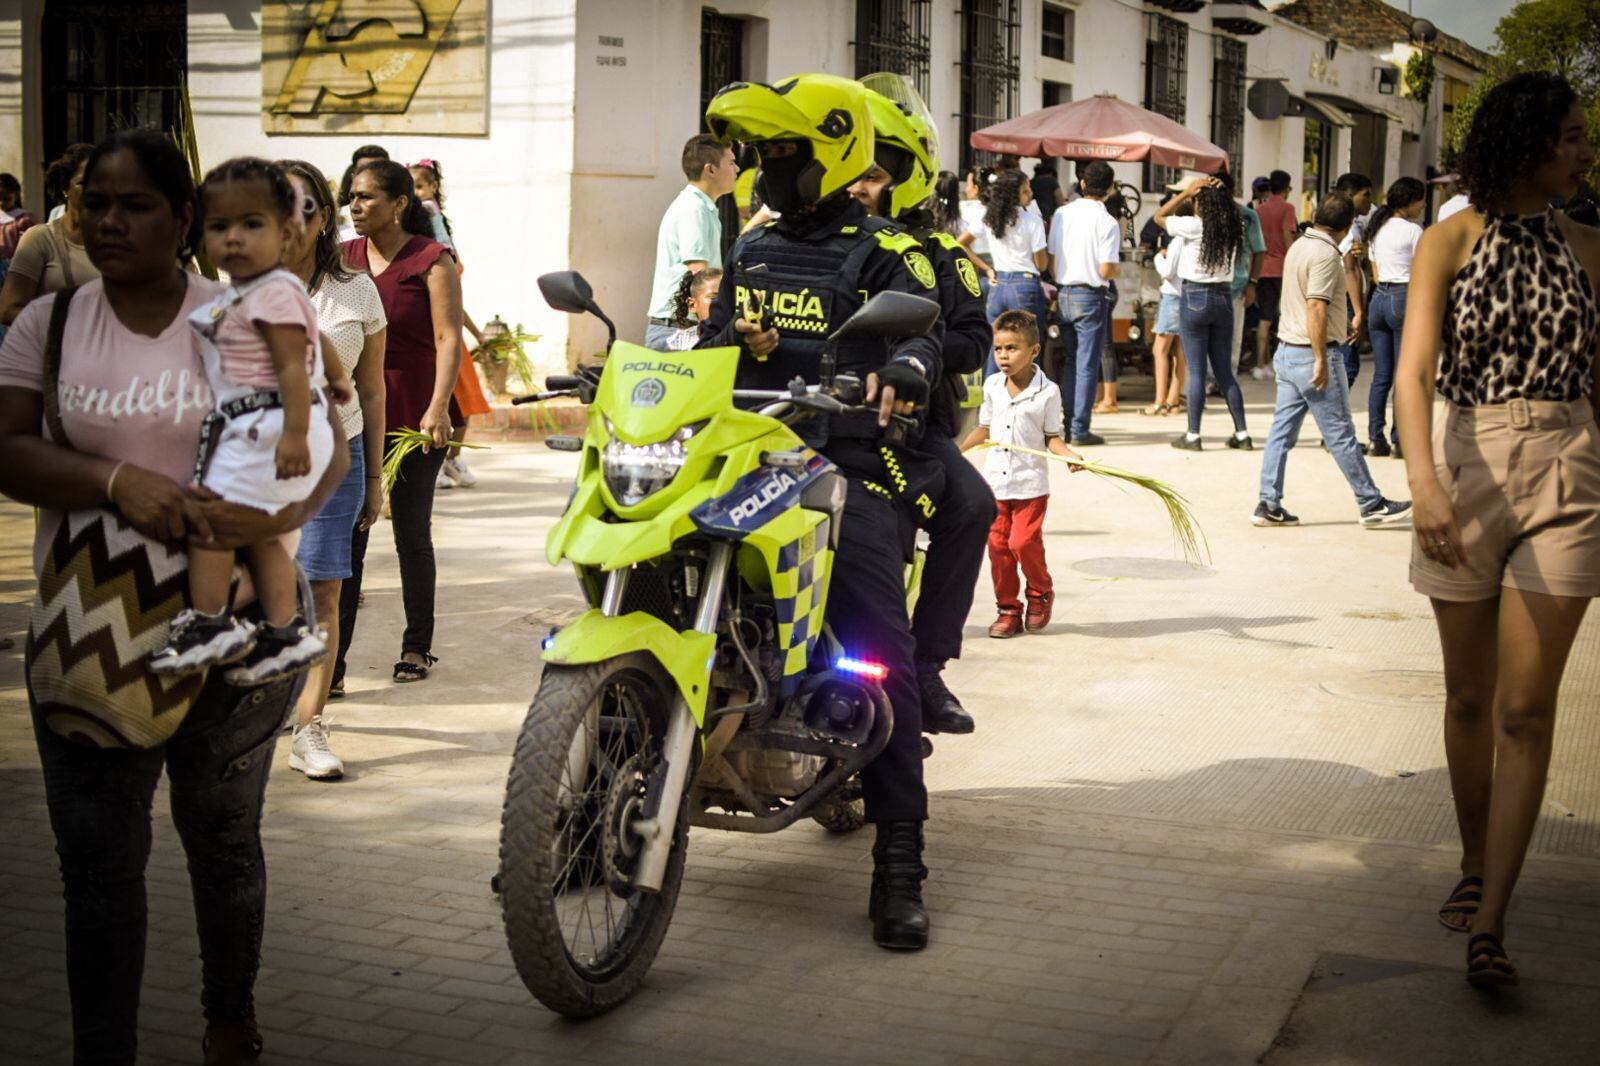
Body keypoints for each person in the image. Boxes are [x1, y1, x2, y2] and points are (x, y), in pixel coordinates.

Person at [0, 127, 348, 1066]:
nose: (109, 221)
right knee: (96, 871)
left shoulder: (238, 317)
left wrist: (258, 528)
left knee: (222, 843)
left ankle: (229, 1021)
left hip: (225, 630)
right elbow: (8, 450)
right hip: (88, 634)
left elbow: (326, 449)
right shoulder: (53, 323)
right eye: (92, 203)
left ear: (184, 219)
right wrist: (118, 484)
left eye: (135, 203)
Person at [701, 71, 944, 951]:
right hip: (745, 457)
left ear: (832, 156)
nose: (770, 173)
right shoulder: (753, 249)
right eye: (762, 157)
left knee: (882, 642)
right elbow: (709, 345)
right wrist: (733, 340)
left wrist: (909, 370)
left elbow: (925, 333)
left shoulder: (888, 251)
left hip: (848, 460)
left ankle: (901, 859)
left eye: (786, 156)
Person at [1396, 72, 1600, 988]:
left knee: (1526, 708)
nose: (1583, 151)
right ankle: (1473, 862)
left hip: (1570, 464)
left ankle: (1493, 920)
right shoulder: (1450, 239)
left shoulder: (1591, 247)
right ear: (1524, 141)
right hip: (1467, 464)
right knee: (1470, 699)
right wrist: (1424, 483)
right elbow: (1411, 373)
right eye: (1569, 135)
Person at [148, 158, 351, 684]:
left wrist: (296, 435)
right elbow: (315, 340)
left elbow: (289, 362)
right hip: (263, 424)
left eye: (251, 225)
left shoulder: (270, 290)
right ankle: (285, 632)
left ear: (286, 233)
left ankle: (211, 622)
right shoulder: (255, 291)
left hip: (268, 427)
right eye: (220, 227)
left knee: (212, 521)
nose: (234, 239)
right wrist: (337, 376)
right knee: (260, 535)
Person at [852, 79, 995, 736]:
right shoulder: (804, 240)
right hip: (808, 420)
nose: (859, 187)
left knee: (974, 505)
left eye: (875, 175)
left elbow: (974, 338)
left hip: (910, 431)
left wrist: (917, 348)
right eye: (852, 173)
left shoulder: (942, 255)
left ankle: (928, 666)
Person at [281, 158, 388, 778]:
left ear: (326, 217)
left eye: (308, 208)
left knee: (324, 592)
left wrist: (373, 477)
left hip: (335, 461)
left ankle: (308, 728)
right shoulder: (237, 286)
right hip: (253, 462)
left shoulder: (356, 289)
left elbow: (371, 392)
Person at [338, 160, 463, 685]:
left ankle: (416, 648)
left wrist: (438, 407)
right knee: (348, 538)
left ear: (399, 204)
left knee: (411, 534)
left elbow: (448, 339)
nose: (355, 206)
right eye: (352, 197)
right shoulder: (342, 258)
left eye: (367, 197)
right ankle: (333, 666)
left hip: (415, 416)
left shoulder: (432, 261)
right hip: (354, 417)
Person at [1252, 191, 1412, 529]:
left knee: (1281, 433)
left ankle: (1268, 502)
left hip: (1288, 352)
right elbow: (1316, 306)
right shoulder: (1325, 254)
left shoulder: (1299, 245)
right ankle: (1370, 502)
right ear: (1347, 224)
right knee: (1340, 433)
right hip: (1312, 354)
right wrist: (1322, 359)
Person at [961, 309, 1081, 636]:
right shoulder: (992, 386)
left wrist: (1070, 455)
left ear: (1034, 351)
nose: (1003, 356)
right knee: (999, 549)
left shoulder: (1048, 392)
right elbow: (984, 428)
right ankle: (1008, 609)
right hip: (996, 486)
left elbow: (1052, 438)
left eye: (1012, 348)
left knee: (1023, 542)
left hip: (1030, 487)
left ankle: (1040, 591)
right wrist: (956, 451)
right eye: (998, 348)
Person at [409, 158, 489, 490]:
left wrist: (474, 332)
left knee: (465, 399)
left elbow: (451, 298)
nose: (417, 195)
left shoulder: (435, 229)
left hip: (447, 332)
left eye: (420, 186)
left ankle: (452, 459)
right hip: (427, 337)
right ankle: (435, 462)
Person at [1155, 176, 1251, 450]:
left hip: (1195, 296)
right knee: (1224, 371)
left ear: (1198, 203)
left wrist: (1186, 191)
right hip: (1223, 297)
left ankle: (1194, 435)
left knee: (1196, 370)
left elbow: (1159, 217)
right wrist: (1222, 195)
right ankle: (1242, 434)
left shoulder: (1193, 226)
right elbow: (1231, 211)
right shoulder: (1235, 226)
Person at [1046, 160, 1120, 445]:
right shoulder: (1107, 222)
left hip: (1064, 292)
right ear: (1111, 189)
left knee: (1071, 362)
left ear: (1083, 183)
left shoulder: (1062, 214)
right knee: (1088, 364)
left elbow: (1051, 263)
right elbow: (1105, 270)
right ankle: (1079, 429)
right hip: (1091, 295)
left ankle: (1066, 425)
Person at [645, 134, 738, 351]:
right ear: (711, 170)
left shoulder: (701, 207)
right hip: (678, 330)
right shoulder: (693, 209)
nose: (737, 168)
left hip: (684, 326)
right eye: (731, 162)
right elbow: (701, 273)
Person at [1364, 176, 1426, 458]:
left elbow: (1375, 274)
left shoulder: (1377, 228)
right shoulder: (1414, 231)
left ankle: (1376, 439)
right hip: (1404, 297)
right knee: (1405, 375)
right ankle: (1400, 440)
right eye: (1421, 200)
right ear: (1410, 201)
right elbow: (1423, 271)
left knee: (1382, 376)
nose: (1423, 205)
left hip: (1378, 299)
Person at [0, 143, 96, 326]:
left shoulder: (124, 240)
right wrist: (65, 323)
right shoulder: (40, 240)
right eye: (84, 183)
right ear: (64, 188)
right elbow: (8, 310)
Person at [962, 169, 1048, 364]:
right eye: (1026, 191)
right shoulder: (1032, 221)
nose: (1031, 194)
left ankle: (991, 393)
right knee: (1028, 350)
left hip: (998, 284)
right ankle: (1026, 393)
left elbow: (960, 244)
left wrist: (986, 268)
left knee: (997, 347)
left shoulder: (989, 218)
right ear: (1013, 194)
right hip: (1025, 285)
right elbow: (1041, 264)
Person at [1251, 169, 1298, 381]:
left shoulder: (1260, 210)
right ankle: (1277, 364)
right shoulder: (1287, 208)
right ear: (1287, 188)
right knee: (1284, 318)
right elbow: (1288, 236)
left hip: (1261, 269)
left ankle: (1261, 364)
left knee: (1264, 318)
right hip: (1282, 268)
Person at [1142, 202, 1188, 416]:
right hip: (1187, 295)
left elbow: (1168, 272)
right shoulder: (1197, 238)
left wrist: (1159, 257)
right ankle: (1174, 399)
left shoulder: (1179, 240)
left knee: (1159, 350)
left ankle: (1160, 401)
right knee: (1179, 351)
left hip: (1172, 296)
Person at [1334, 172, 1375, 387]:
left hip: (1342, 299)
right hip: (1347, 301)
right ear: (1350, 196)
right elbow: (1349, 270)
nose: (1370, 201)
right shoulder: (1348, 230)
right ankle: (1336, 416)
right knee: (1347, 365)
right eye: (1366, 195)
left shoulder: (1350, 226)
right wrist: (1359, 312)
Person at [336, 144, 389, 241]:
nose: (368, 177)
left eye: (376, 171)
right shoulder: (338, 216)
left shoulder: (399, 216)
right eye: (362, 170)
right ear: (353, 176)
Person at [662, 265, 721, 350]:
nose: (724, 301)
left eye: (729, 296)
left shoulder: (739, 337)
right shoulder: (679, 342)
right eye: (714, 297)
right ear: (692, 305)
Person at [1030, 159, 1065, 226]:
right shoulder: (1052, 181)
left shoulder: (1031, 182)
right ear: (1051, 173)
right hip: (1048, 218)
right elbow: (1060, 200)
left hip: (1033, 217)